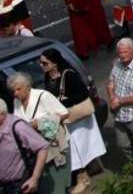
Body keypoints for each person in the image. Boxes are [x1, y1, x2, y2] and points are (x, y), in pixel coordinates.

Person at [40, 48, 106, 194]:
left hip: (77, 119)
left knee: (77, 150)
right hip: (66, 120)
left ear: (55, 63)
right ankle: (91, 169)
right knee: (76, 149)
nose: (41, 65)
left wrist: (61, 104)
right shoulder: (48, 77)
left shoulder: (68, 75)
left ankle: (83, 179)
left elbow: (83, 94)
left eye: (45, 63)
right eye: (41, 63)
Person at [7, 72, 70, 194]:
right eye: (13, 91)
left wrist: (41, 123)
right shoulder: (17, 102)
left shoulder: (43, 96)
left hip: (54, 146)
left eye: (18, 89)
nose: (15, 93)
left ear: (28, 86)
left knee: (58, 186)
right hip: (35, 150)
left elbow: (64, 113)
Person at [0, 97, 49, 194]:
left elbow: (42, 148)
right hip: (2, 185)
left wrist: (34, 178)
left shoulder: (17, 126)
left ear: (2, 115)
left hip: (23, 184)